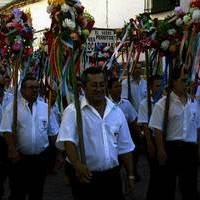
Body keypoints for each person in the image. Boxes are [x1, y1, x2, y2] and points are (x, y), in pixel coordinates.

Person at [56, 67, 135, 200]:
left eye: (102, 84)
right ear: (83, 87)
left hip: (112, 176)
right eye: (94, 85)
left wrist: (130, 175)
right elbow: (68, 141)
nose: (98, 89)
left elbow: (125, 147)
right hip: (86, 176)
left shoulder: (116, 111)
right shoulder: (73, 111)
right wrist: (76, 164)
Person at [0, 75, 59, 200]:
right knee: (18, 192)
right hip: (20, 158)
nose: (35, 90)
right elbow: (6, 130)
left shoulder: (45, 108)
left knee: (37, 192)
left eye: (37, 87)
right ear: (22, 90)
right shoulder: (12, 107)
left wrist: (59, 154)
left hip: (40, 159)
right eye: (31, 87)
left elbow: (53, 133)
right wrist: (11, 148)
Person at [149, 67, 200, 200]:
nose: (186, 84)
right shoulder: (163, 104)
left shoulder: (194, 102)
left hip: (190, 149)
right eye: (183, 80)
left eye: (187, 80)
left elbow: (197, 126)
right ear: (174, 82)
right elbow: (157, 128)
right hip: (171, 148)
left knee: (190, 187)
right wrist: (160, 149)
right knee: (167, 187)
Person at [108, 77, 141, 181]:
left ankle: (131, 175)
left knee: (131, 160)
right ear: (109, 89)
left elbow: (133, 120)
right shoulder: (106, 105)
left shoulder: (126, 104)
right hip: (111, 140)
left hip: (125, 138)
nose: (119, 89)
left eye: (120, 86)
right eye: (116, 86)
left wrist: (139, 135)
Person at [137, 75, 162, 200]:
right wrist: (149, 144)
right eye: (157, 85)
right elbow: (145, 125)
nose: (160, 88)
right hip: (152, 139)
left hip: (163, 139)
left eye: (161, 85)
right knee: (155, 172)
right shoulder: (144, 103)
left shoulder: (165, 102)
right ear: (150, 87)